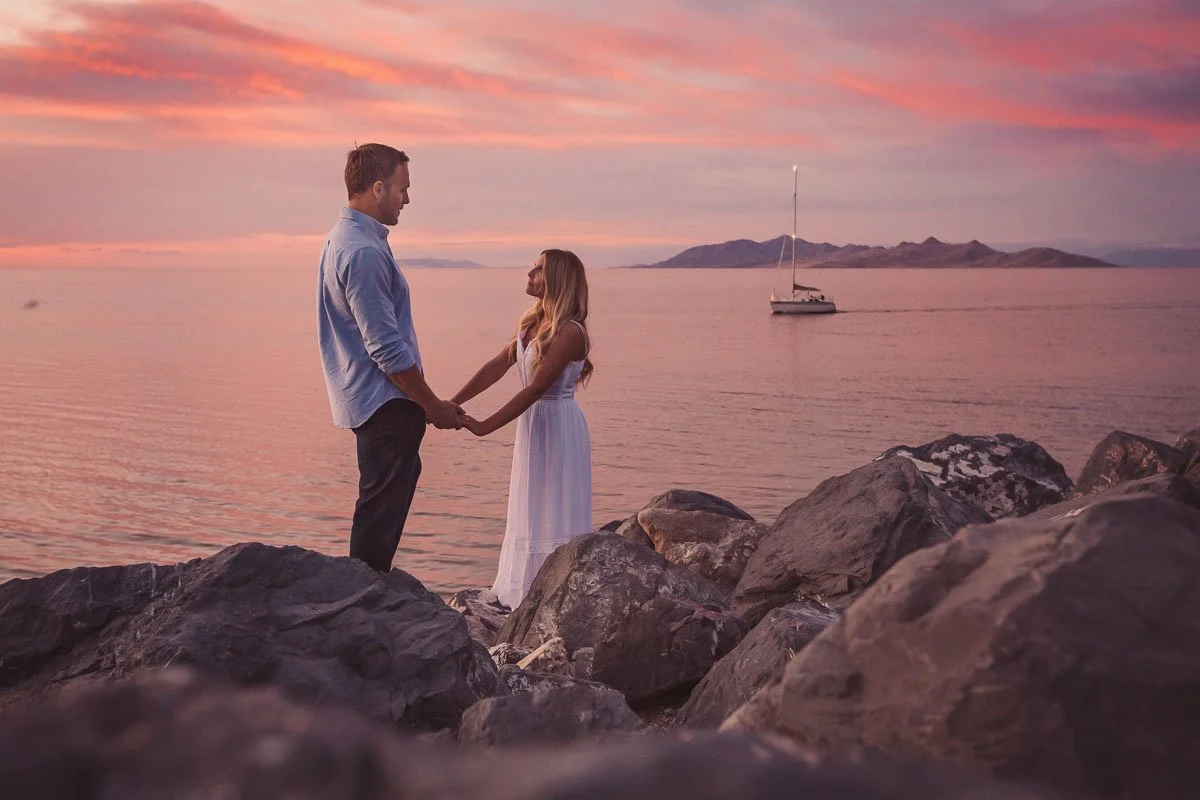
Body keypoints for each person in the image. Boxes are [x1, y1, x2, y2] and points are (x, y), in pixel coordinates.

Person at [317, 143, 465, 573]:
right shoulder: (361, 251)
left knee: (381, 502)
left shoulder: (343, 239)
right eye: (402, 189)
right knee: (380, 512)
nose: (408, 199)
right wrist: (431, 405)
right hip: (385, 403)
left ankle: (365, 595)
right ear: (377, 188)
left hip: (370, 400)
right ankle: (363, 600)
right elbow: (385, 348)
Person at [452, 249, 594, 609]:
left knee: (554, 503)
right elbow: (497, 365)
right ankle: (521, 589)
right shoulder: (531, 324)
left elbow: (535, 389)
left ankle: (553, 592)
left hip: (558, 423)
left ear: (558, 279)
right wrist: (453, 402)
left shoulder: (570, 331)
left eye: (540, 269)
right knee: (530, 503)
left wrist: (485, 427)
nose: (530, 274)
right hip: (535, 422)